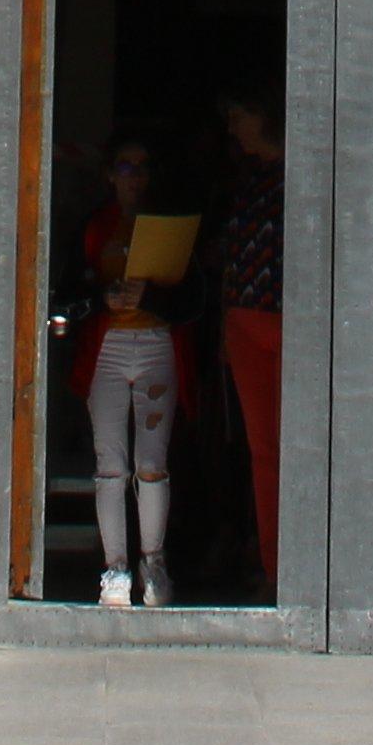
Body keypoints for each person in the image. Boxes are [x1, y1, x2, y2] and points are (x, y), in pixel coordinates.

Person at [58, 135, 185, 606]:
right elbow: (69, 290)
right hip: (107, 347)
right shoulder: (94, 227)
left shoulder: (168, 225)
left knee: (152, 464)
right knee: (110, 466)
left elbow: (189, 298)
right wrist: (101, 299)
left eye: (143, 167)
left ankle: (154, 564)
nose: (134, 177)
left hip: (155, 344)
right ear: (111, 176)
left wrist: (147, 298)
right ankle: (115, 570)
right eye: (125, 167)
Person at [209, 89, 285, 575]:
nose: (233, 125)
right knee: (262, 453)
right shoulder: (243, 179)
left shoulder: (304, 170)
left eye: (241, 113)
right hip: (244, 323)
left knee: (298, 445)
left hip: (293, 324)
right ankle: (272, 569)